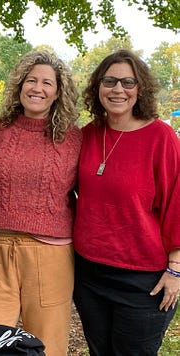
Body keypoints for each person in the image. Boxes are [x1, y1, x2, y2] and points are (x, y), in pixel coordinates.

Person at [73, 49, 180, 355]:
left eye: (127, 82)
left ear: (139, 89)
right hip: (90, 274)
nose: (118, 89)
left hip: (143, 281)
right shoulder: (88, 135)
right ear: (98, 87)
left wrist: (176, 269)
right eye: (109, 81)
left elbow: (177, 203)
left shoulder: (161, 137)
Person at [0, 50, 81, 356]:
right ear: (20, 85)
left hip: (49, 254)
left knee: (47, 345)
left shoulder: (73, 137)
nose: (37, 88)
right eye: (31, 80)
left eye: (47, 83)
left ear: (58, 93)